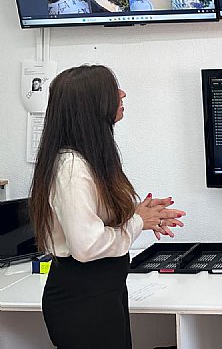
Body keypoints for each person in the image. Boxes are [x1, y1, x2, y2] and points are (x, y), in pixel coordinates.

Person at [29, 64, 187, 349]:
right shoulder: (71, 168)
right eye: (113, 90)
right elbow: (86, 246)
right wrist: (137, 222)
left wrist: (140, 215)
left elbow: (96, 219)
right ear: (93, 105)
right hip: (83, 302)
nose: (122, 94)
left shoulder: (88, 159)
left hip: (102, 293)